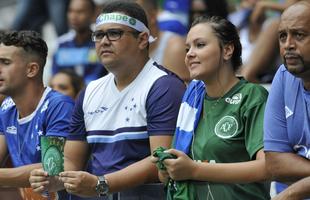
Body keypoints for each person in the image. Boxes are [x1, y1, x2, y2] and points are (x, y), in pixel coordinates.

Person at [29, 1, 185, 199]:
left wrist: (101, 184)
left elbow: (162, 162)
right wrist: (53, 178)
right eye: (99, 34)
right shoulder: (89, 91)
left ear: (143, 39)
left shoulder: (164, 86)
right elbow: (71, 159)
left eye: (114, 33)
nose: (104, 41)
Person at [153, 15, 270, 199]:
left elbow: (266, 167)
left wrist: (195, 170)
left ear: (227, 50)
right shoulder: (192, 98)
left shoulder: (252, 96)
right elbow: (167, 177)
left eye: (200, 45)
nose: (190, 53)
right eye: (187, 48)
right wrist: (167, 168)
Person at [0, 30, 74, 199]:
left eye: (5, 62)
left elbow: (50, 169)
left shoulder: (59, 106)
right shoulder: (6, 107)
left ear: (32, 69)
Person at [263, 1, 310, 199]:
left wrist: (288, 195)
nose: (288, 45)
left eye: (299, 35)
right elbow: (275, 163)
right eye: (283, 36)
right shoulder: (283, 75)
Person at [52, 0, 107, 85]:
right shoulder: (61, 44)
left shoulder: (102, 42)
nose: (73, 16)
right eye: (70, 11)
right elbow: (55, 77)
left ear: (93, 14)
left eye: (80, 12)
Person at [136, 0, 190, 83]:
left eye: (135, 17)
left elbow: (180, 93)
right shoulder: (123, 46)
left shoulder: (175, 48)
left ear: (152, 16)